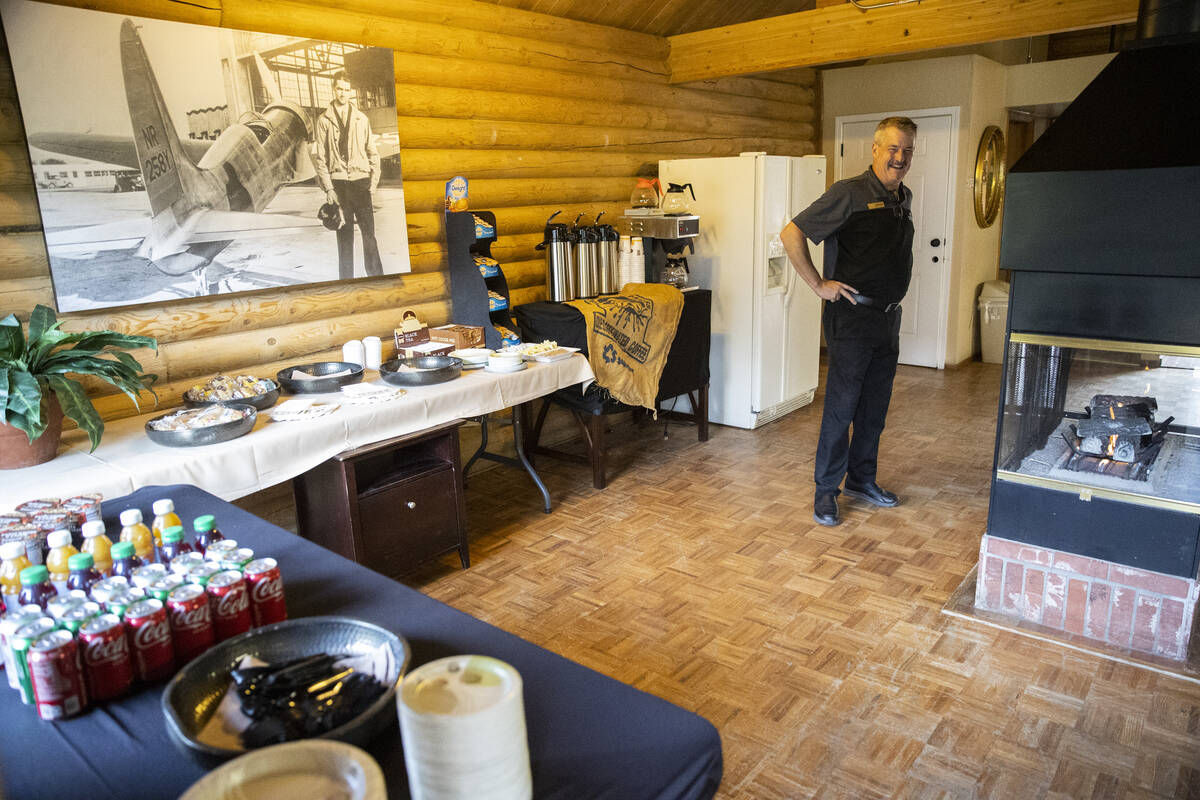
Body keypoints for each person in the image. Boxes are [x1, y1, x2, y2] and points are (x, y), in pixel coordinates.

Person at [780, 116, 917, 526]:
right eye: (893, 148)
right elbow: (791, 233)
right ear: (875, 149)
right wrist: (818, 283)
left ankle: (862, 480)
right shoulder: (849, 193)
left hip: (887, 319)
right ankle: (826, 493)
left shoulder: (902, 196)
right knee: (842, 409)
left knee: (874, 410)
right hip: (853, 318)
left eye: (907, 150)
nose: (900, 158)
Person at [313, 71, 383, 279]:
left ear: (350, 91)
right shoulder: (324, 120)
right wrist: (329, 189)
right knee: (344, 237)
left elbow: (373, 153)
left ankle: (377, 278)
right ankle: (347, 282)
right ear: (333, 89)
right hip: (339, 185)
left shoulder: (362, 119)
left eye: (346, 90)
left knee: (369, 235)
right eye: (339, 89)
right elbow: (320, 159)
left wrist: (373, 184)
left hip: (361, 183)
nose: (343, 93)